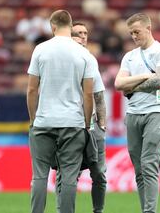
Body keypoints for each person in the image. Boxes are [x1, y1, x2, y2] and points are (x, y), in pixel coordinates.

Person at [27, 9, 95, 213]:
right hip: (72, 122)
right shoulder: (84, 53)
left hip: (43, 121)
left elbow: (31, 89)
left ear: (52, 26)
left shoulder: (40, 49)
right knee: (68, 177)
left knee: (39, 176)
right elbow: (88, 94)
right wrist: (86, 123)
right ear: (71, 25)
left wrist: (33, 120)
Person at [114, 13, 160, 213]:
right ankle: (145, 210)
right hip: (133, 113)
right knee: (139, 168)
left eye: (137, 32)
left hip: (157, 110)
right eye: (131, 33)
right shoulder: (129, 56)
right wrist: (142, 77)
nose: (134, 36)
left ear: (149, 29)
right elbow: (118, 84)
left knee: (149, 163)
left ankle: (150, 211)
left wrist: (132, 87)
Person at [55, 22, 107, 213]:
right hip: (68, 124)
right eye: (78, 33)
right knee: (67, 174)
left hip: (92, 126)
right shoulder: (59, 61)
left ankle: (98, 210)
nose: (83, 36)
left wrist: (102, 123)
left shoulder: (90, 59)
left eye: (85, 33)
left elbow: (98, 94)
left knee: (99, 173)